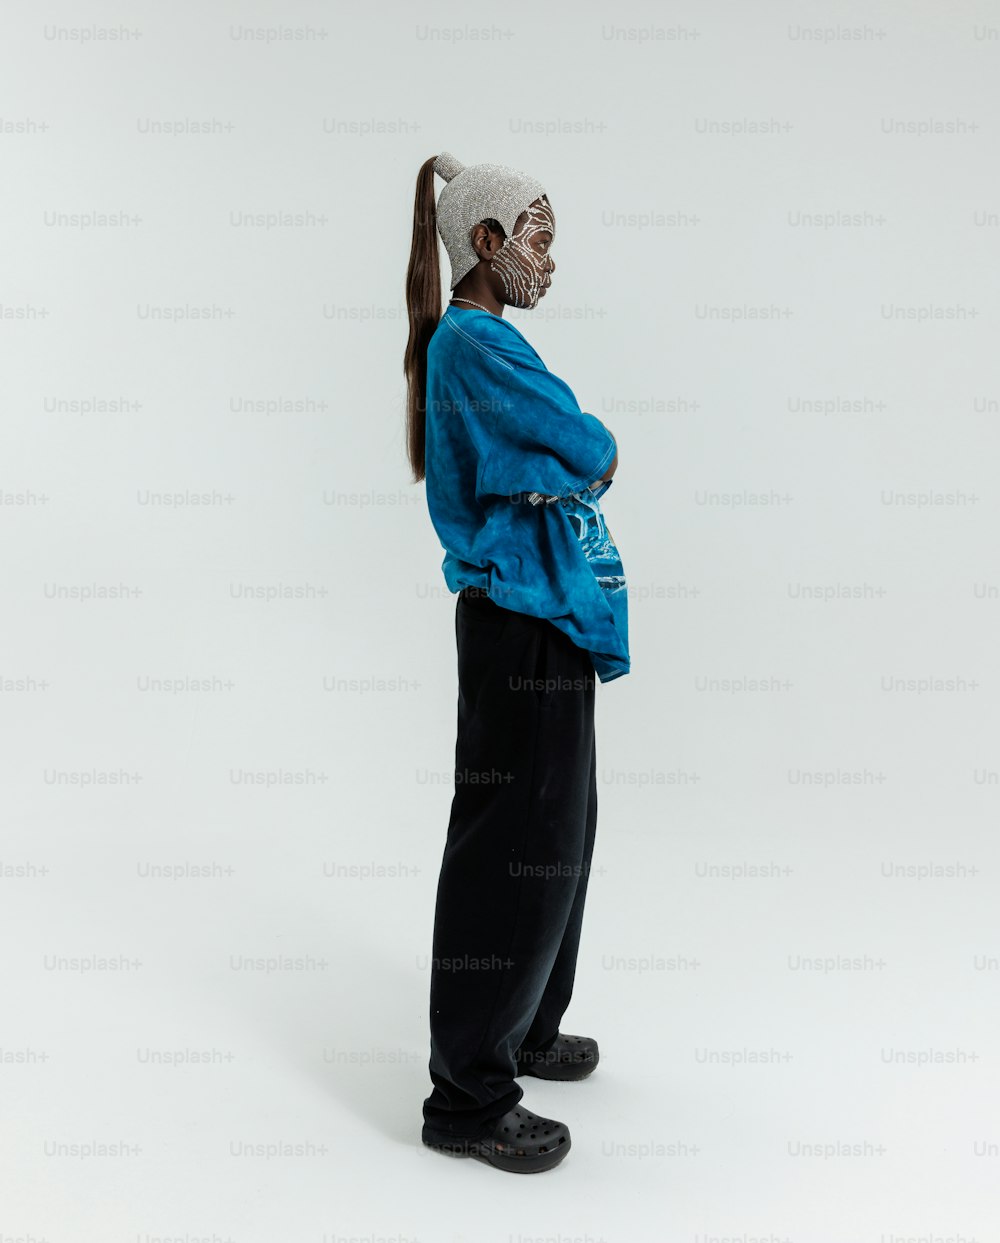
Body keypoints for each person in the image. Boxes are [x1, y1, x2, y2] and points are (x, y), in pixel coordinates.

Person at [403, 150, 630, 1174]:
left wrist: (563, 460)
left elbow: (557, 457)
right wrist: (582, 452)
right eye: (538, 239)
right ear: (485, 244)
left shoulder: (485, 344)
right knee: (509, 843)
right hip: (514, 620)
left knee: (561, 831)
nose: (551, 262)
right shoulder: (473, 346)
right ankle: (467, 1093)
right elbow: (582, 447)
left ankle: (528, 1027)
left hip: (548, 616)